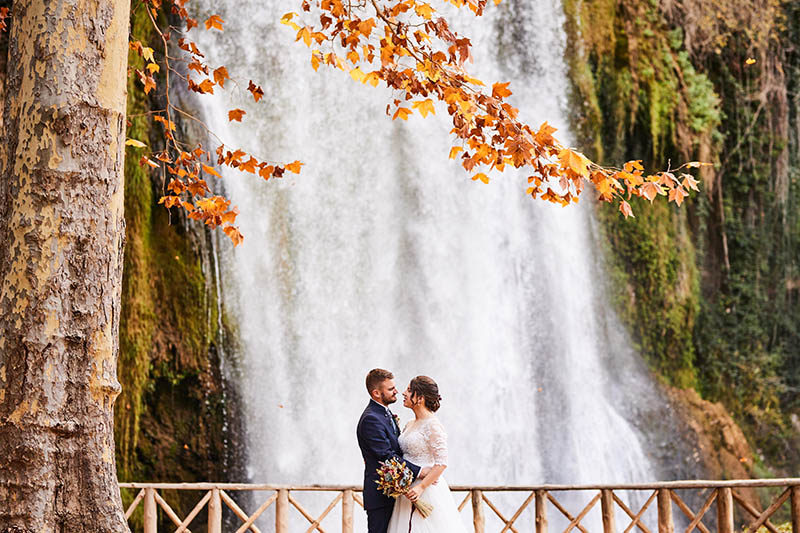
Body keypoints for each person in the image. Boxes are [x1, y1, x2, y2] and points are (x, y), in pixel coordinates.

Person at [387, 376, 466, 533]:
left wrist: (421, 487)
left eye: (409, 390)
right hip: (406, 488)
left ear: (420, 398)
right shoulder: (410, 423)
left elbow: (442, 463)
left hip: (425, 489)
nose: (403, 393)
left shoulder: (433, 425)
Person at [357, 369, 431, 533]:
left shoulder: (384, 414)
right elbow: (386, 455)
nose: (396, 391)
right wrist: (419, 471)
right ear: (376, 393)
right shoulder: (371, 419)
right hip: (381, 496)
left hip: (396, 494)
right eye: (391, 389)